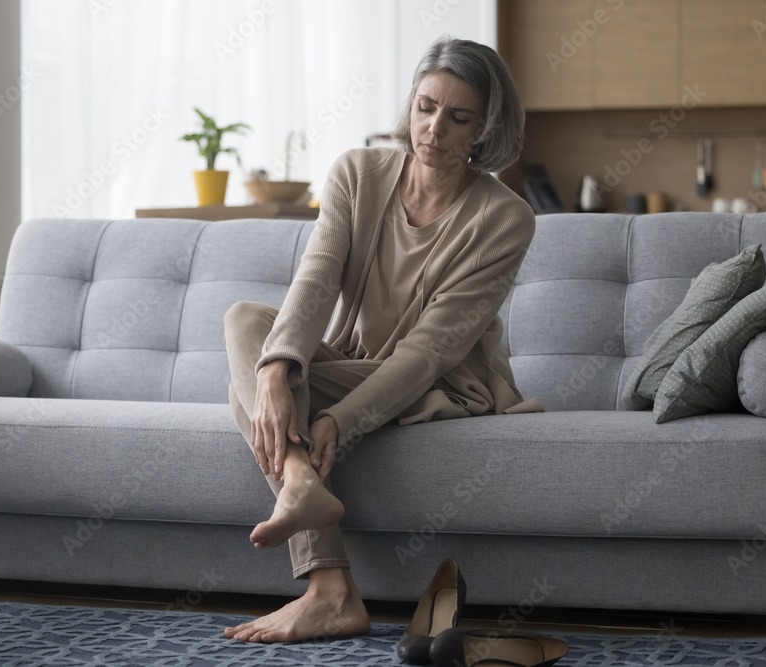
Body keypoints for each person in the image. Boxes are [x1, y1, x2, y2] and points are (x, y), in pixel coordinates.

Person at [222, 36, 543, 644]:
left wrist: (339, 420)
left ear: (486, 128)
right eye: (425, 107)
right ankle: (301, 491)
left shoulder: (505, 218)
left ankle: (329, 589)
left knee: (255, 392)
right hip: (354, 361)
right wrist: (273, 374)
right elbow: (314, 282)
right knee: (246, 323)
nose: (434, 129)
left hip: (442, 384)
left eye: (459, 117)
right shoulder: (357, 173)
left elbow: (430, 353)